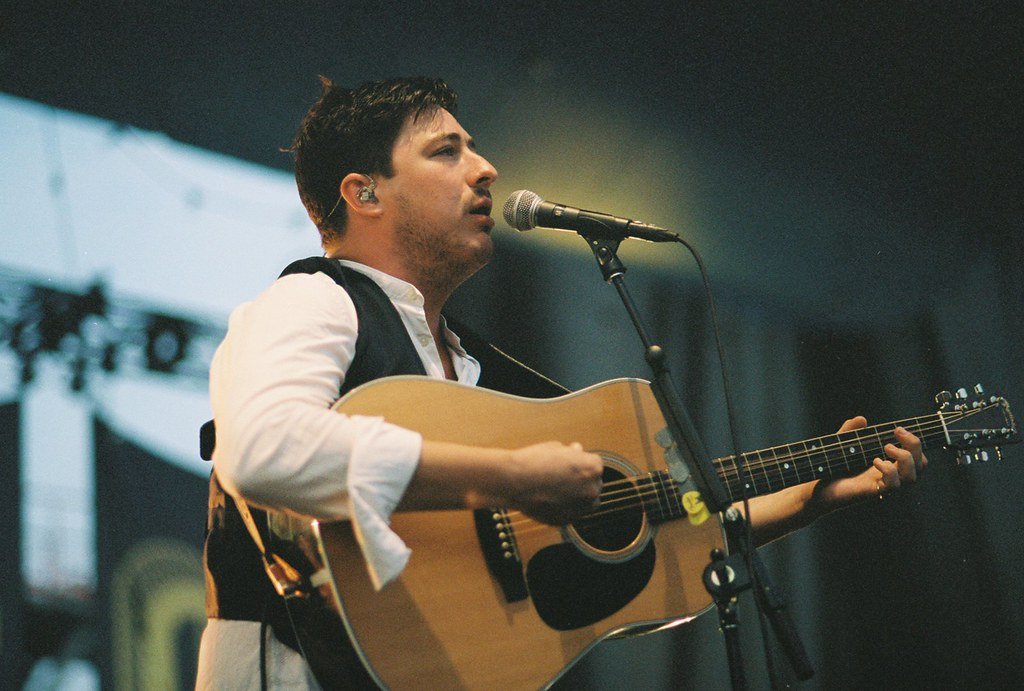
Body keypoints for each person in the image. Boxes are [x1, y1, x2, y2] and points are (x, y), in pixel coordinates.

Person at [195, 76, 926, 689]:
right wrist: (509, 475)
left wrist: (805, 500)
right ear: (364, 192)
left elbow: (649, 524)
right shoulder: (313, 300)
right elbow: (261, 448)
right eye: (447, 151)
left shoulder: (475, 368)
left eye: (474, 148)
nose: (485, 168)